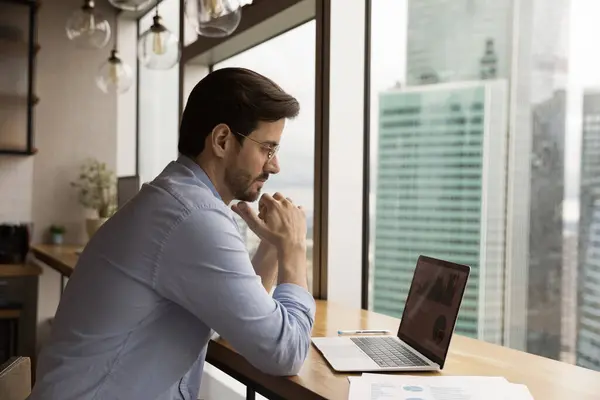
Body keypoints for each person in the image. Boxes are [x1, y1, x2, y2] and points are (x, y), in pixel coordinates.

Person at [29, 67, 315, 400]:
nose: (275, 165)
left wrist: (271, 245)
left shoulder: (177, 200)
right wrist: (294, 250)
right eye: (268, 149)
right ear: (222, 140)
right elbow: (286, 353)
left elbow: (237, 321)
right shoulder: (194, 216)